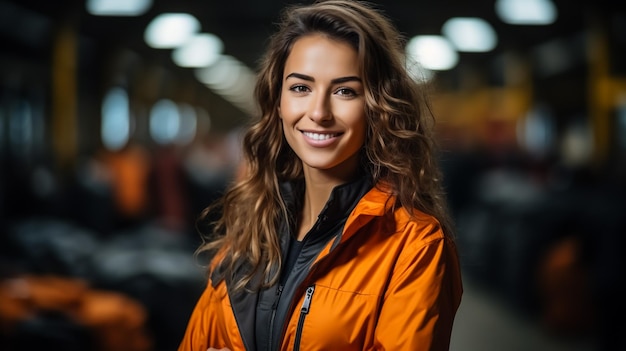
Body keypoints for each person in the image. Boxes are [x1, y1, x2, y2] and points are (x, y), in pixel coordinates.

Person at [178, 1, 463, 350]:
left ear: (377, 106)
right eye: (301, 87)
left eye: (345, 91)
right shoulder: (252, 225)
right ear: (278, 101)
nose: (319, 112)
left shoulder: (415, 245)